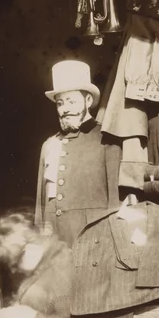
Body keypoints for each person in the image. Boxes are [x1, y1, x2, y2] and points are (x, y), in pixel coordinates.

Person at [35, 59, 122, 246]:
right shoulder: (49, 145)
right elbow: (41, 210)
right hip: (57, 247)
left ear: (88, 101)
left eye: (71, 101)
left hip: (95, 247)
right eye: (60, 103)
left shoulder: (107, 139)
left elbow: (117, 204)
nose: (64, 109)